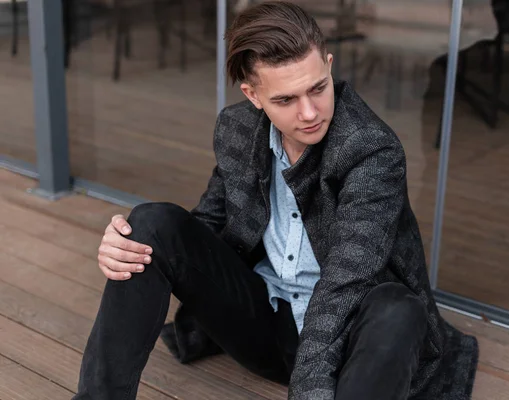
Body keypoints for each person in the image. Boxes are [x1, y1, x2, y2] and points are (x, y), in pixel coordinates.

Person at [73, 2, 478, 399]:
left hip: (352, 344)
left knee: (399, 308)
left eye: (318, 88)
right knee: (149, 224)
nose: (309, 113)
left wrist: (310, 389)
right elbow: (205, 230)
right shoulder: (237, 128)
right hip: (265, 323)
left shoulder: (371, 150)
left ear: (330, 65)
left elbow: (345, 283)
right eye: (285, 100)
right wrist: (129, 244)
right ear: (253, 95)